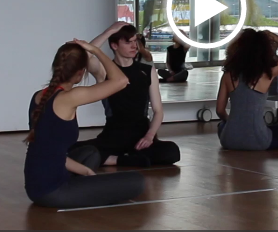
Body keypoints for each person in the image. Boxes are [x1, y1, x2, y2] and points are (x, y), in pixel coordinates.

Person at [24, 40, 145, 209]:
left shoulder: (39, 96)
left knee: (90, 153)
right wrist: (96, 51)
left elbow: (52, 153)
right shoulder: (70, 97)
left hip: (35, 187)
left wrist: (87, 172)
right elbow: (121, 81)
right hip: (54, 192)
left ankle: (84, 188)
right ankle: (83, 191)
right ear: (81, 72)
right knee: (137, 181)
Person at [71, 23, 181, 167]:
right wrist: (109, 31)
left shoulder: (147, 71)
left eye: (135, 41)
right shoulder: (104, 71)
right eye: (128, 42)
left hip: (140, 137)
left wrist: (149, 136)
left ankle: (117, 158)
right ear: (114, 45)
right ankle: (119, 160)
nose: (134, 46)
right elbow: (85, 55)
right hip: (113, 137)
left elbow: (158, 110)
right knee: (71, 150)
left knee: (172, 151)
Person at [217, 29, 278, 151]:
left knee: (222, 125)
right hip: (258, 140)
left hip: (229, 140)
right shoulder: (267, 73)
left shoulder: (228, 75)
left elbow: (220, 110)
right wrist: (275, 38)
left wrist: (231, 123)